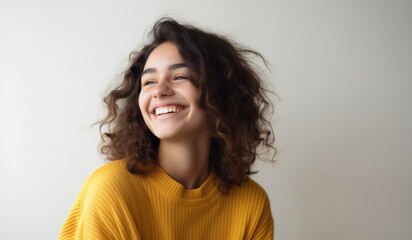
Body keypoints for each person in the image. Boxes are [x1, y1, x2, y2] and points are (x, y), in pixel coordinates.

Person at [59, 18, 275, 240]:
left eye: (180, 77)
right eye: (149, 82)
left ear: (220, 95)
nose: (159, 91)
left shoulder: (252, 203)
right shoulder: (111, 189)